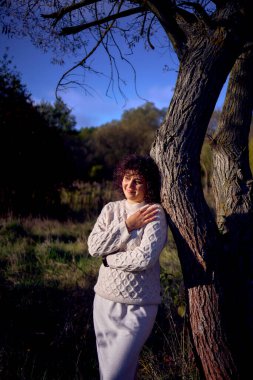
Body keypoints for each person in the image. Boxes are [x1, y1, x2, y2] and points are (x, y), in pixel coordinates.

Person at [88, 153, 168, 380]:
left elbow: (144, 259)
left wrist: (109, 259)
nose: (129, 185)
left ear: (149, 184)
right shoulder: (110, 210)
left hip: (138, 307)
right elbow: (94, 247)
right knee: (112, 374)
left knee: (115, 374)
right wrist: (126, 226)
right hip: (104, 302)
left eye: (137, 180)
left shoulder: (155, 213)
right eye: (126, 178)